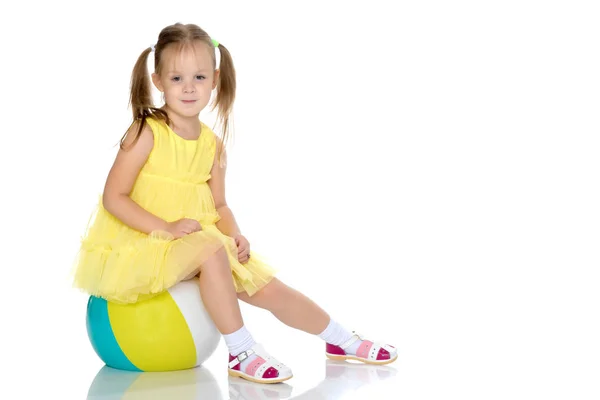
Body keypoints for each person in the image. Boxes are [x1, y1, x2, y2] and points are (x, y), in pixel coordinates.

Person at [72, 22, 397, 384]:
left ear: (214, 80)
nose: (189, 87)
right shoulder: (147, 131)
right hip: (143, 241)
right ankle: (241, 350)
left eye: (199, 76)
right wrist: (165, 228)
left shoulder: (212, 144)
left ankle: (340, 339)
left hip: (195, 240)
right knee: (211, 250)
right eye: (177, 78)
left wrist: (236, 235)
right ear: (158, 81)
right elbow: (113, 197)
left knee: (266, 285)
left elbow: (219, 206)